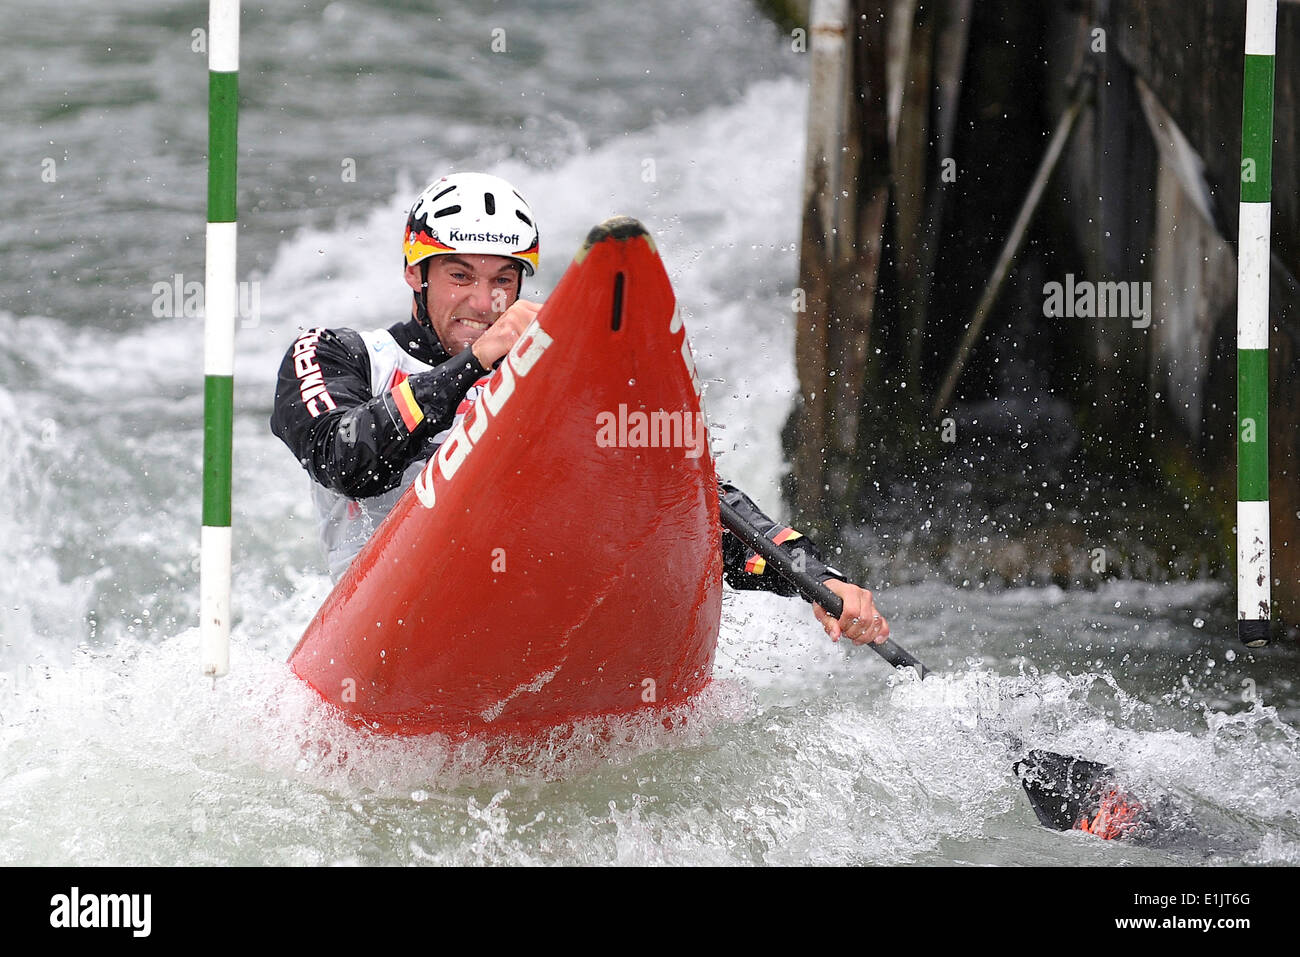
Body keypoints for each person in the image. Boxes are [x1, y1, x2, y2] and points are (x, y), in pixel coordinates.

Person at [270, 171, 890, 647]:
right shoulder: (338, 355)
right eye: (460, 276)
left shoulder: (556, 383)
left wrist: (814, 577)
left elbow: (676, 500)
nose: (483, 302)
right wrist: (474, 367)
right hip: (382, 634)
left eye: (503, 282)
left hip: (522, 622)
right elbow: (345, 458)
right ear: (416, 272)